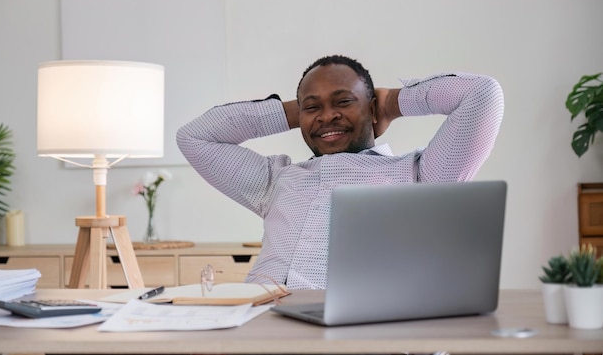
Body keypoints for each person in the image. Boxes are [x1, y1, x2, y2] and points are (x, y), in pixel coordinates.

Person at [176, 55, 504, 290]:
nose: (327, 116)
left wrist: (393, 102)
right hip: (261, 326)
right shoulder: (275, 180)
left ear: (372, 107)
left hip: (355, 335)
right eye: (313, 107)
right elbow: (194, 136)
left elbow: (482, 94)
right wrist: (300, 109)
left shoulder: (421, 177)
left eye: (343, 102)